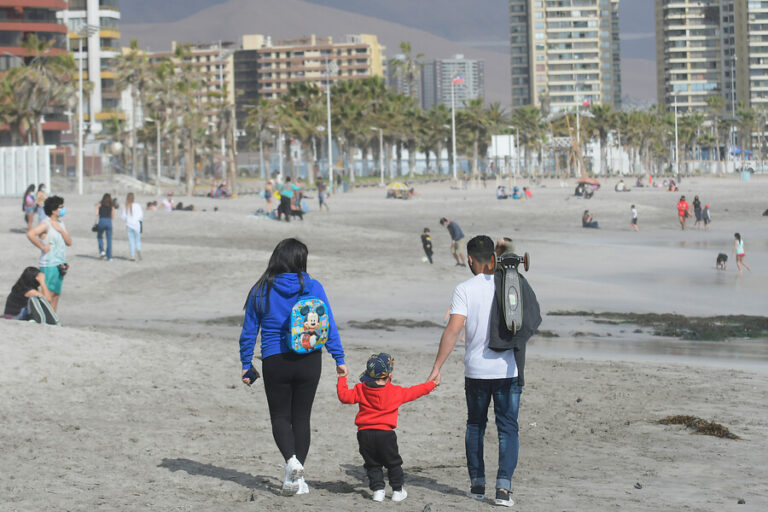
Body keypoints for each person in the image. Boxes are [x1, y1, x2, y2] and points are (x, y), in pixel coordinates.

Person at [238, 238, 348, 496]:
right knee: (301, 418)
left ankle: (291, 463)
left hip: (275, 360)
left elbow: (249, 332)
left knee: (280, 417)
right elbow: (328, 323)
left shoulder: (260, 289)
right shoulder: (313, 285)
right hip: (309, 359)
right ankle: (298, 479)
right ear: (301, 260)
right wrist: (339, 358)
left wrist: (246, 363)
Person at [428, 235, 522, 508]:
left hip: (477, 371)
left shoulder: (464, 289)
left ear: (469, 259)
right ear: (494, 257)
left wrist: (437, 366)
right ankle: (503, 490)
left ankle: (478, 485)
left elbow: (453, 330)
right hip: (508, 369)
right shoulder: (510, 283)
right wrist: (505, 251)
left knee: (475, 425)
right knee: (508, 429)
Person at [337, 352, 436, 503]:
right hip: (386, 434)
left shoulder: (360, 389)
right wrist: (432, 384)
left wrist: (342, 378)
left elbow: (344, 396)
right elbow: (415, 392)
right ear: (389, 374)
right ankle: (397, 491)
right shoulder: (396, 392)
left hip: (364, 434)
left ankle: (378, 491)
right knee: (393, 463)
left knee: (372, 464)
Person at [26, 196, 72, 311]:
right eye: (60, 207)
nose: (62, 209)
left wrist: (61, 230)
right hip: (49, 264)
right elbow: (30, 234)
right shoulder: (46, 224)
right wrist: (42, 246)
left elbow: (69, 242)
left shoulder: (61, 223)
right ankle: (45, 319)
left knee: (56, 295)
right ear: (53, 210)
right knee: (48, 296)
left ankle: (54, 321)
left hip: (60, 264)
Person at [122, 192, 144, 261]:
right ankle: (138, 249)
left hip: (129, 224)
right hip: (136, 224)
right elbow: (141, 216)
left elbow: (123, 216)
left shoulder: (125, 206)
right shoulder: (137, 205)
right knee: (137, 239)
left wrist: (127, 220)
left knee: (131, 241)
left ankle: (133, 256)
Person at [95, 193, 114, 261]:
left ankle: (102, 251)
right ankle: (110, 256)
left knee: (99, 236)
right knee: (109, 239)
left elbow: (96, 214)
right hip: (109, 221)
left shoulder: (100, 204)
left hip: (102, 220)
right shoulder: (111, 205)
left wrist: (97, 207)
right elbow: (112, 216)